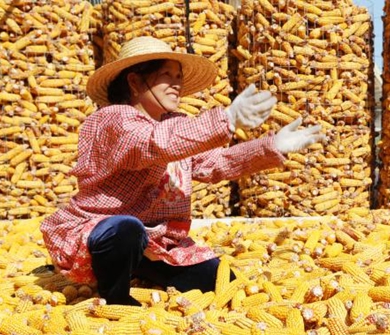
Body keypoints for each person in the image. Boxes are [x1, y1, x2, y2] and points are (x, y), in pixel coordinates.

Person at [40, 36, 324, 306]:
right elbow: (154, 144)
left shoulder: (175, 126)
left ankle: (139, 267)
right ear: (135, 81)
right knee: (125, 229)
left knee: (219, 282)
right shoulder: (113, 120)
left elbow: (216, 163)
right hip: (104, 234)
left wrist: (273, 146)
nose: (177, 84)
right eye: (167, 75)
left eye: (179, 77)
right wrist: (226, 119)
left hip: (158, 243)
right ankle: (115, 298)